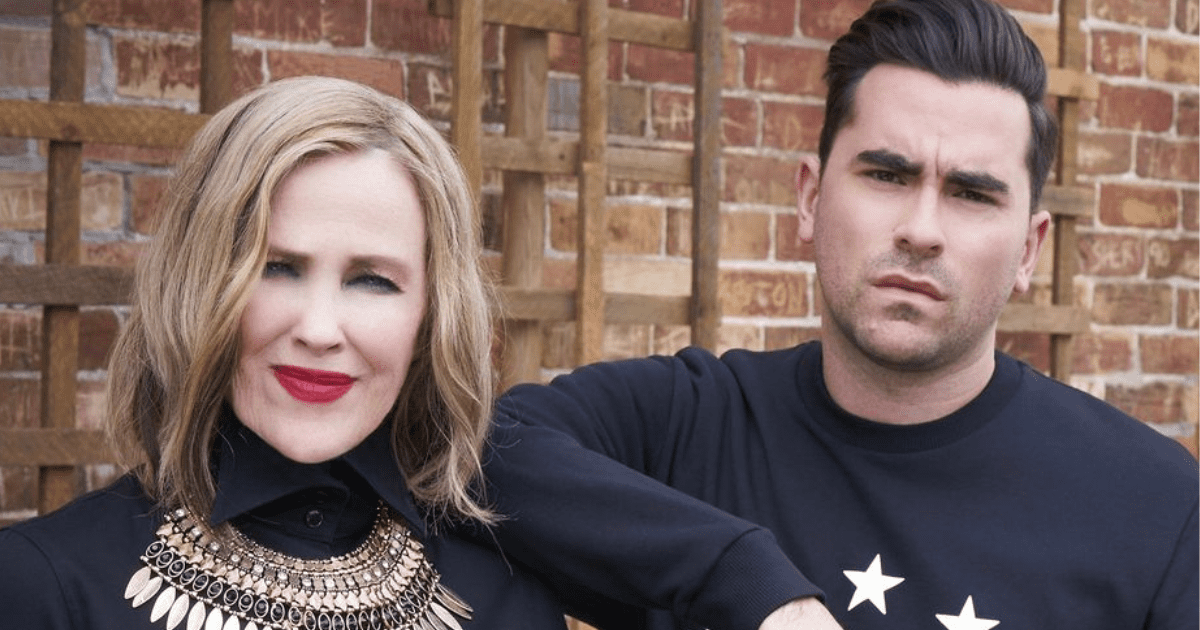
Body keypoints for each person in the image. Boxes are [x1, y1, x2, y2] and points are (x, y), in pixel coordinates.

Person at [478, 1, 1200, 629]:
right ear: (810, 198)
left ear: (1029, 250)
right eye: (887, 174)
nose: (921, 230)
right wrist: (740, 575)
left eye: (972, 194)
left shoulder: (1155, 506)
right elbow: (475, 455)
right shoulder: (691, 427)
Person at [0, 76, 576, 629]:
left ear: (431, 313)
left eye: (373, 280)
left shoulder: (506, 591)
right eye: (275, 268)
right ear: (197, 282)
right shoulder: (44, 586)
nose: (319, 331)